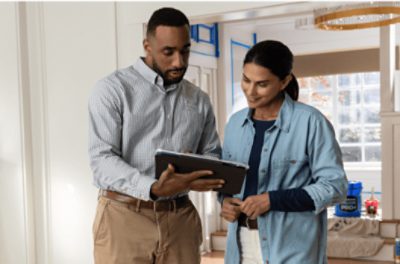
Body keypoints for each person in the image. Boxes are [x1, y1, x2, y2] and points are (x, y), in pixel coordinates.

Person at [88, 7, 224, 264]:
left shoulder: (199, 99)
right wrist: (152, 188)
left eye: (185, 50)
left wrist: (198, 172)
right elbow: (101, 160)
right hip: (124, 218)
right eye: (168, 52)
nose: (179, 62)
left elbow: (211, 152)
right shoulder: (112, 90)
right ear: (147, 46)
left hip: (181, 218)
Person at [219, 40, 348, 264]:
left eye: (262, 84)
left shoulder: (311, 122)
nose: (250, 91)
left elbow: (335, 188)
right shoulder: (234, 124)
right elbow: (228, 181)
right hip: (240, 246)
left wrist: (272, 200)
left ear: (284, 81)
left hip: (293, 247)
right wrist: (224, 201)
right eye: (246, 80)